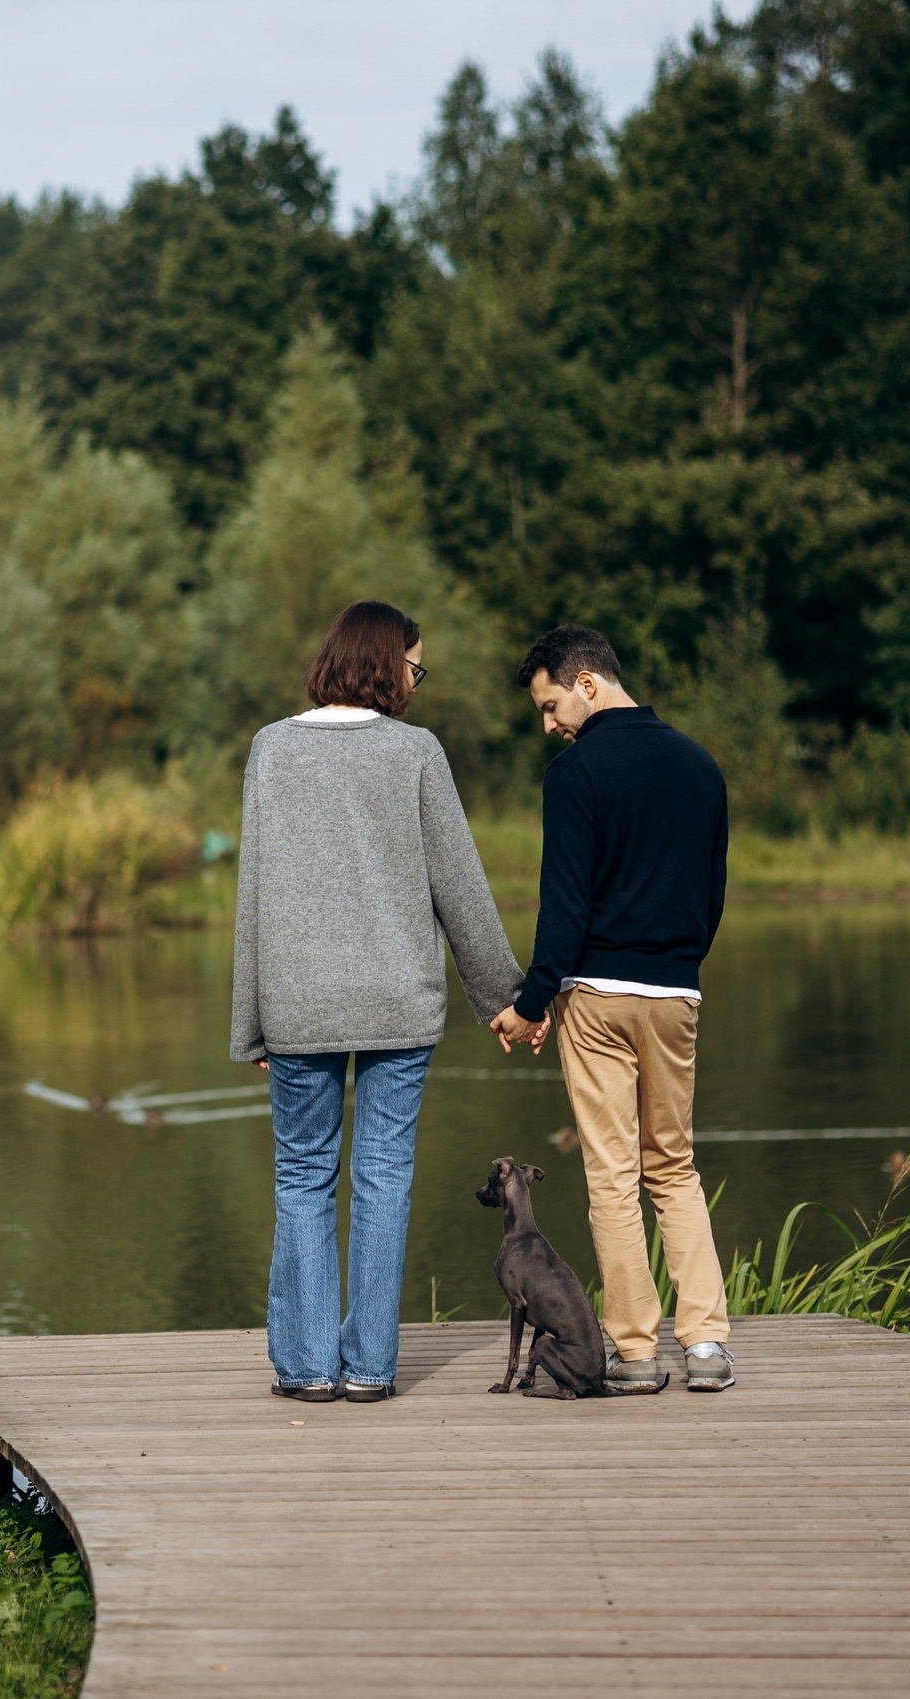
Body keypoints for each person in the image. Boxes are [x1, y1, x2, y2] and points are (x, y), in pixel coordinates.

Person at [231, 600, 522, 1404]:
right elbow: (459, 885)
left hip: (299, 1001)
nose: (417, 683)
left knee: (302, 1176)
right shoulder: (417, 752)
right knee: (385, 1177)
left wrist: (247, 1017)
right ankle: (368, 1369)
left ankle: (308, 1368)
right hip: (398, 999)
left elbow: (253, 889)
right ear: (387, 664)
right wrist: (502, 994)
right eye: (415, 667)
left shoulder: (272, 749)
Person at [489, 626, 736, 1391]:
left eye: (551, 703)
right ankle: (705, 1348)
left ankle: (634, 1351)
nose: (549, 723)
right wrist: (678, 967)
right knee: (675, 1168)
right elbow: (713, 895)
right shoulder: (702, 767)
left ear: (588, 682)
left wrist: (532, 1004)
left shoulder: (575, 775)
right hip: (675, 992)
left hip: (597, 994)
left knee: (612, 1177)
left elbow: (564, 907)